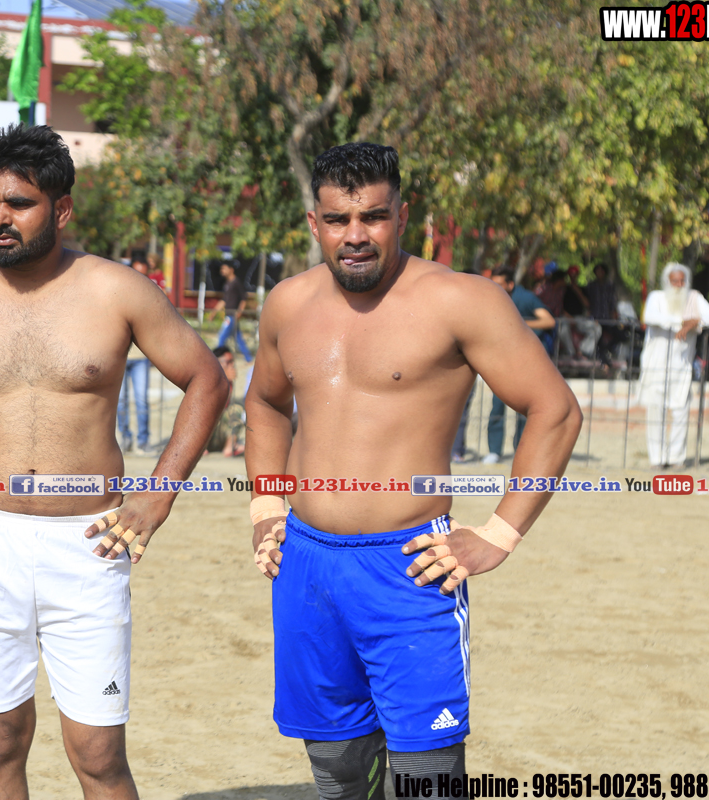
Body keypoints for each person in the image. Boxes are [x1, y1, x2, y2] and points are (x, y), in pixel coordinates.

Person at [0, 124, 228, 800]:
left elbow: (206, 377)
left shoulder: (117, 290)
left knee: (98, 754)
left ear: (61, 210)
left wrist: (158, 493)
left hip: (89, 542)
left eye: (20, 203)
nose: (0, 217)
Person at [245, 142, 581, 798]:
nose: (355, 235)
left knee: (428, 776)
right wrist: (266, 506)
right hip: (306, 563)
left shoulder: (461, 300)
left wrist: (501, 532)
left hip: (410, 565)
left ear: (403, 215)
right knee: (339, 770)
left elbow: (555, 410)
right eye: (338, 220)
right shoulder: (287, 303)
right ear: (314, 223)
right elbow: (264, 403)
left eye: (373, 216)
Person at [638, 263, 709, 467]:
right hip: (656, 364)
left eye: (683, 281)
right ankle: (657, 459)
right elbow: (650, 317)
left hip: (682, 365)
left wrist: (696, 322)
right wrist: (685, 321)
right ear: (667, 281)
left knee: (681, 411)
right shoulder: (656, 297)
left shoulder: (693, 298)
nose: (679, 285)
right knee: (656, 411)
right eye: (675, 281)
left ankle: (676, 458)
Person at [482, 265, 556, 463]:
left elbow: (548, 321)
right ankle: (494, 451)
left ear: (510, 284)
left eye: (499, 284)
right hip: (501, 361)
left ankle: (521, 451)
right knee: (497, 406)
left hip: (526, 363)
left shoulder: (525, 298)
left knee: (524, 408)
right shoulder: (493, 299)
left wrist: (519, 323)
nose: (495, 287)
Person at [117, 256, 154, 453]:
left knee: (142, 400)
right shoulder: (120, 293)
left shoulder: (152, 295)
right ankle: (125, 437)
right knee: (120, 401)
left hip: (141, 358)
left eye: (144, 274)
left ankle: (143, 440)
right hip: (121, 357)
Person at [206, 345, 245, 456]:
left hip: (220, 432)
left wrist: (228, 383)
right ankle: (200, 448)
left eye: (232, 362)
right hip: (205, 435)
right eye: (228, 362)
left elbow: (227, 406)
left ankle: (230, 447)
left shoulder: (228, 382)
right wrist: (223, 380)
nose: (232, 365)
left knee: (236, 408)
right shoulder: (207, 379)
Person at [216, 260, 252, 362]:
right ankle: (248, 358)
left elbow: (243, 299)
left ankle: (218, 358)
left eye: (224, 268)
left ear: (231, 269)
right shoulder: (227, 283)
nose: (222, 271)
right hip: (228, 314)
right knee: (238, 338)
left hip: (232, 315)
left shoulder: (236, 282)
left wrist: (239, 312)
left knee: (221, 337)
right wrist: (214, 312)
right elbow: (224, 300)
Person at [586, 263, 620, 367]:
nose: (599, 273)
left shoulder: (610, 285)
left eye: (601, 271)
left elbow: (613, 301)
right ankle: (602, 359)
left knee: (618, 334)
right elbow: (588, 301)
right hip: (595, 317)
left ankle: (609, 352)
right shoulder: (591, 285)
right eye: (597, 271)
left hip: (607, 317)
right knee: (598, 335)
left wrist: (614, 314)